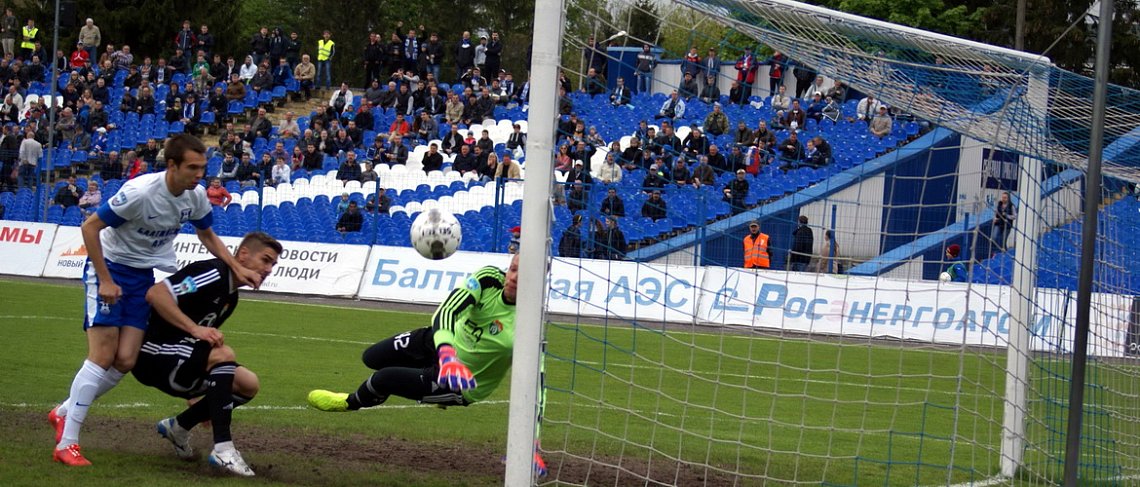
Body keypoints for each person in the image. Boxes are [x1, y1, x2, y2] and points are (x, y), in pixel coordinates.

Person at [48, 135, 262, 466]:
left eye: (203, 168)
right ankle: (67, 442)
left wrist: (234, 265)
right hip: (109, 268)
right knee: (103, 355)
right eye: (192, 167)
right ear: (172, 165)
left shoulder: (196, 196)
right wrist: (104, 279)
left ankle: (63, 411)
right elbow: (90, 227)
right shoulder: (141, 192)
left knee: (126, 360)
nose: (199, 175)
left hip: (142, 275)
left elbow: (206, 233)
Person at [306, 254, 546, 473]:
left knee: (384, 378)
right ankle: (416, 378)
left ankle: (350, 402)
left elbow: (537, 387)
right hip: (439, 344)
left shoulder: (530, 326)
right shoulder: (488, 279)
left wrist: (531, 443)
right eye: (513, 269)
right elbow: (446, 312)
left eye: (523, 275)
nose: (513, 278)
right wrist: (447, 354)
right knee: (372, 358)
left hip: (458, 383)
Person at [135, 232, 282, 477]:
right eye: (265, 260)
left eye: (273, 264)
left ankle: (179, 427)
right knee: (224, 353)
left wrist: (199, 396)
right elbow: (156, 294)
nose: (269, 269)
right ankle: (223, 449)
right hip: (152, 352)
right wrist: (194, 329)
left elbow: (202, 346)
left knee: (248, 384)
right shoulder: (212, 273)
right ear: (243, 254)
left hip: (177, 357)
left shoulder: (230, 296)